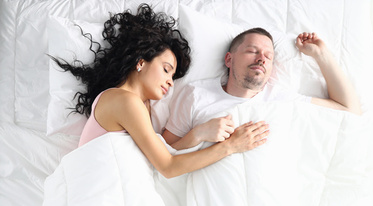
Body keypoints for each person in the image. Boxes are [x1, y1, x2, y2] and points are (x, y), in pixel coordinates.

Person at [50, 4, 267, 178]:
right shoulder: (123, 100)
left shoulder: (138, 105)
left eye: (172, 77)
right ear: (140, 62)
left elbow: (158, 159)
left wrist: (198, 133)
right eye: (166, 70)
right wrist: (231, 146)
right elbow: (168, 167)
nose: (170, 82)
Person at [162, 28, 361, 149]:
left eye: (268, 56)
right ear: (229, 59)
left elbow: (349, 109)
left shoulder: (282, 100)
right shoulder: (196, 94)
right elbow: (164, 153)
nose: (261, 59)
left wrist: (321, 55)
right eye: (252, 51)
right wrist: (198, 135)